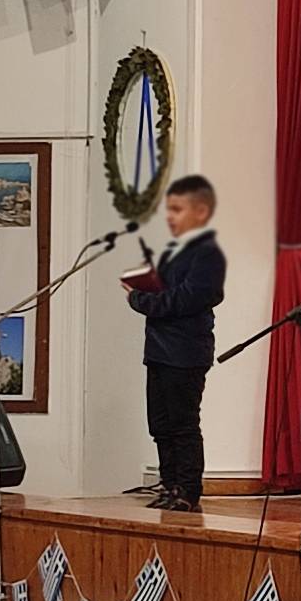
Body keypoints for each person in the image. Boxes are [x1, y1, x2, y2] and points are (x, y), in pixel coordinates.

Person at [125, 175, 228, 512]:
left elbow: (185, 299)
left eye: (177, 209)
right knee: (160, 425)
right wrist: (144, 281)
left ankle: (187, 489)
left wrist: (139, 299)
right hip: (158, 349)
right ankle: (170, 484)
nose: (170, 216)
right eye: (168, 209)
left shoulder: (208, 254)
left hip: (184, 352)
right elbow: (165, 290)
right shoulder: (173, 250)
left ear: (201, 211)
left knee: (183, 424)